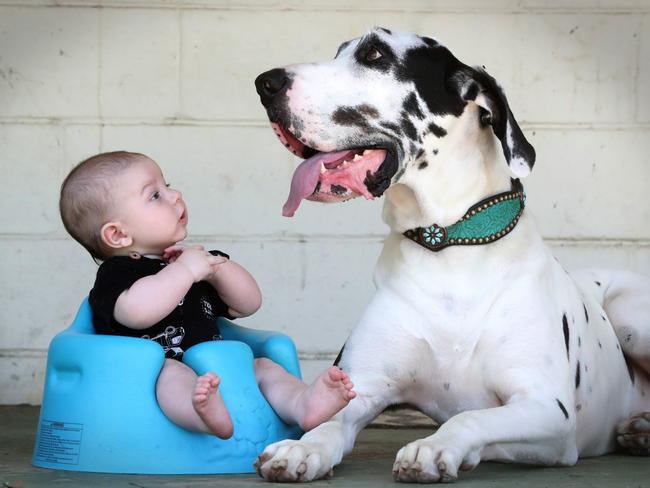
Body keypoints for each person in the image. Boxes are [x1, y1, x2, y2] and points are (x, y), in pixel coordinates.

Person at [59, 150, 356, 439]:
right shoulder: (118, 273)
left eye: (169, 186)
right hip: (149, 375)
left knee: (263, 367)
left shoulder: (188, 260)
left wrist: (217, 270)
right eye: (155, 195)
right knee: (169, 376)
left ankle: (302, 404)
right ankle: (200, 414)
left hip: (216, 370)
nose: (175, 196)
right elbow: (135, 312)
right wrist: (185, 272)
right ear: (118, 235)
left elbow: (249, 303)